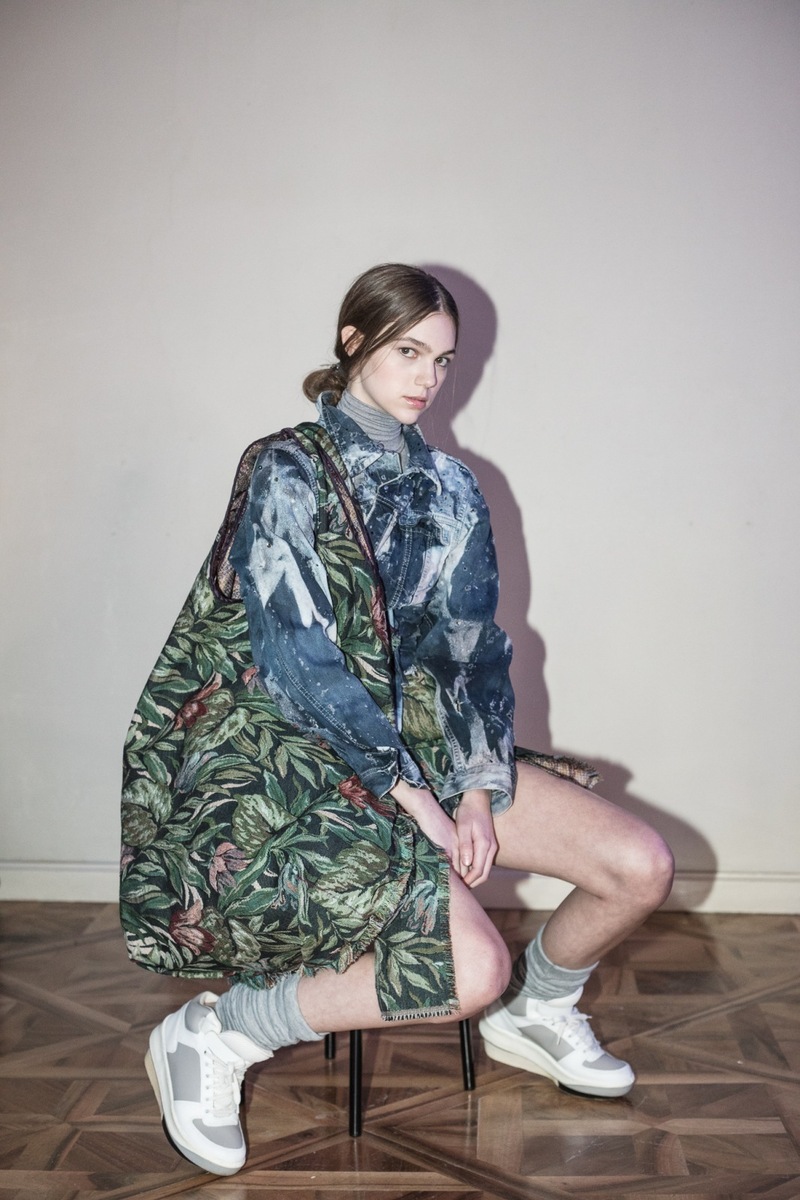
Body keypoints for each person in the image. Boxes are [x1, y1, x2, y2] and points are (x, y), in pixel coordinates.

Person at [126, 264, 674, 1176]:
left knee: (638, 866)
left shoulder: (453, 486)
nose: (428, 377)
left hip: (424, 751)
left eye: (443, 360)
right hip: (294, 757)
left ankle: (538, 1010)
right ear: (354, 342)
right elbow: (296, 653)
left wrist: (474, 788)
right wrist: (410, 793)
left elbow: (469, 651)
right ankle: (218, 1033)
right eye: (408, 351)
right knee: (470, 970)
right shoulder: (286, 465)